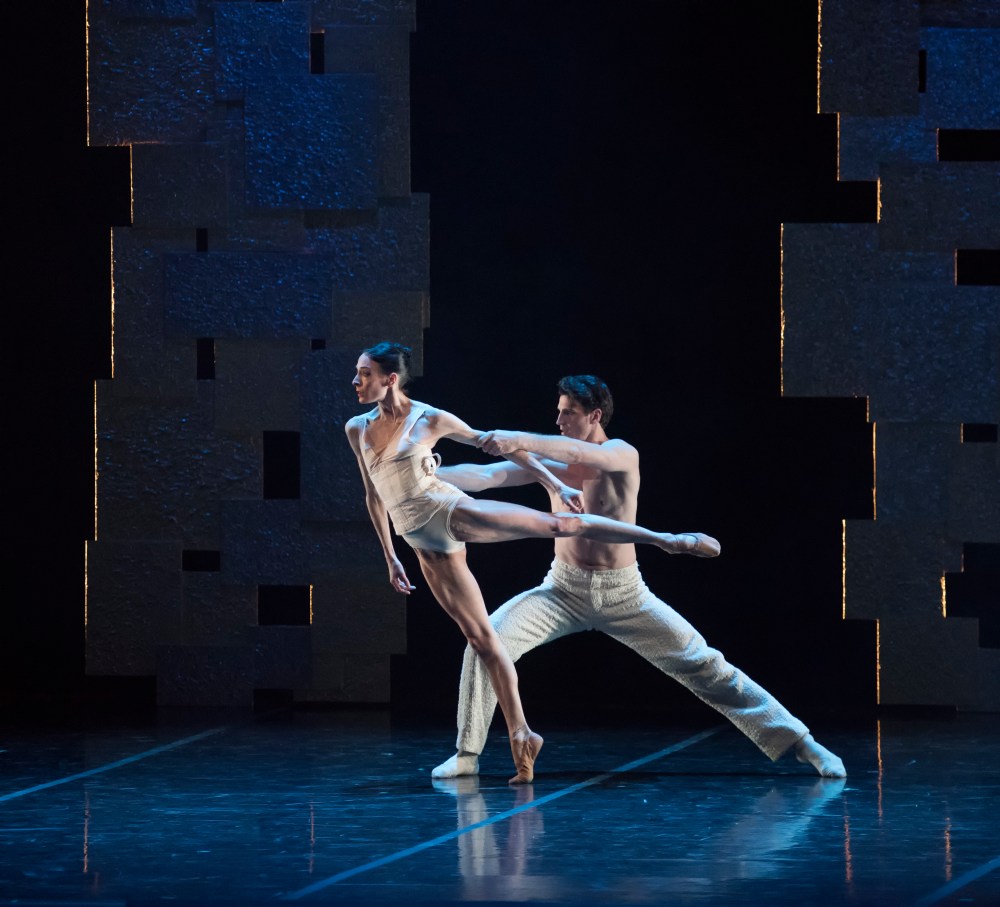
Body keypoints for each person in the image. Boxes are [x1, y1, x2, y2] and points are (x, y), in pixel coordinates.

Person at [430, 374, 847, 780]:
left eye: (568, 413)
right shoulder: (553, 462)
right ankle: (467, 753)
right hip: (561, 590)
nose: (559, 421)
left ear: (595, 416)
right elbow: (486, 476)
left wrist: (519, 439)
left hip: (623, 593)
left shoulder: (620, 454)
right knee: (487, 641)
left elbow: (577, 455)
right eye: (557, 413)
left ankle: (802, 742)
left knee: (704, 663)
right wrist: (426, 473)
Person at [346, 343, 720, 784]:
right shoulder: (357, 428)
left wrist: (554, 483)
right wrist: (390, 556)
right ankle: (519, 735)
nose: (355, 381)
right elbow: (377, 495)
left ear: (390, 379)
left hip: (449, 513)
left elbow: (498, 454)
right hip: (420, 543)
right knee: (482, 639)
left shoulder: (430, 418)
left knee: (561, 524)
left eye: (364, 374)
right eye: (356, 373)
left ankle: (667, 540)